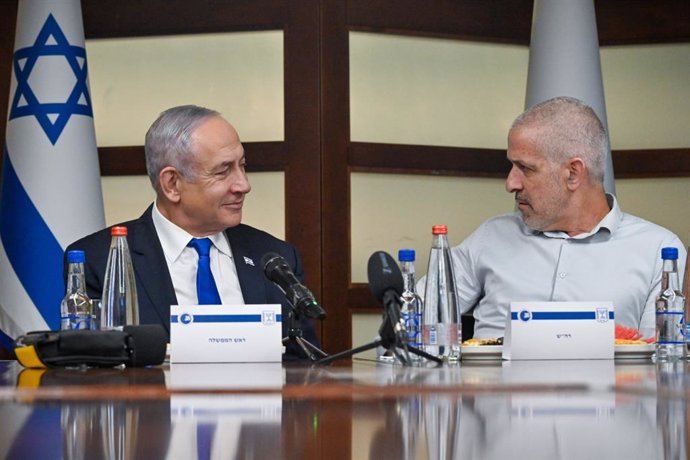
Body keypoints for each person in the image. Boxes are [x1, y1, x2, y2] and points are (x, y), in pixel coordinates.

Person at [65, 105, 319, 359]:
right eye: (223, 171)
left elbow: (308, 366)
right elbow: (96, 368)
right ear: (172, 184)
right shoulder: (100, 260)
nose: (244, 185)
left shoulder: (274, 258)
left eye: (242, 166)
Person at [439, 96, 686, 340]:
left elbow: (661, 361)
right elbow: (416, 317)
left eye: (525, 168)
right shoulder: (491, 236)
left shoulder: (660, 251)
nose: (510, 183)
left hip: (608, 382)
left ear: (573, 174)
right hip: (493, 380)